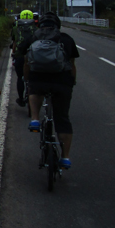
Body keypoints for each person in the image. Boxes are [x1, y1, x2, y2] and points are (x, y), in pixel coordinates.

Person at [20, 12, 79, 169]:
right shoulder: (66, 39)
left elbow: (25, 61)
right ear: (57, 26)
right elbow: (72, 65)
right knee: (62, 119)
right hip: (62, 83)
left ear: (40, 25)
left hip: (38, 79)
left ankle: (34, 119)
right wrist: (71, 82)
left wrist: (28, 79)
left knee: (35, 90)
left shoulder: (33, 38)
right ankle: (65, 158)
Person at [10, 10, 36, 107]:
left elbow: (14, 43)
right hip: (34, 56)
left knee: (20, 77)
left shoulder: (16, 27)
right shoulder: (36, 27)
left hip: (20, 55)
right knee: (34, 77)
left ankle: (21, 99)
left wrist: (13, 54)